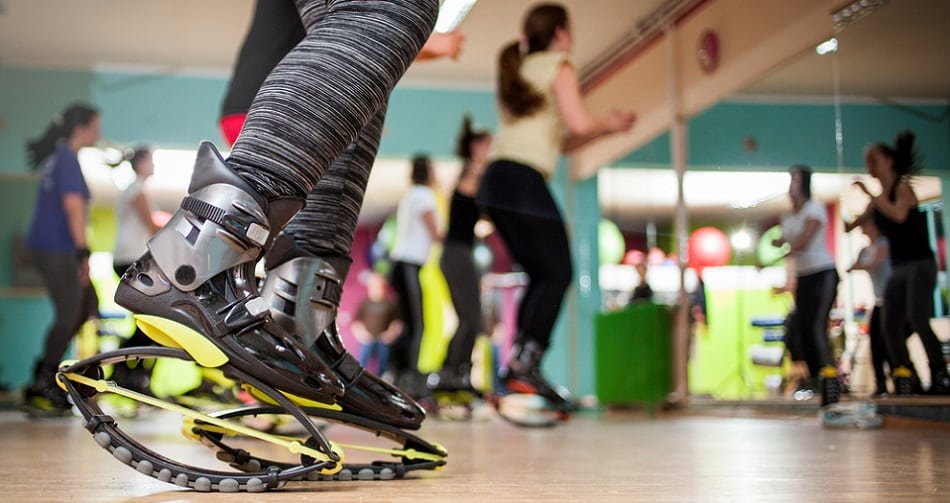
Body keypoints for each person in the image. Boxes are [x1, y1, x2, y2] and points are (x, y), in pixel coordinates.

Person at [115, 0, 444, 431]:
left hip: (289, 85)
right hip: (280, 102)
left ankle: (299, 321)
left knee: (365, 83)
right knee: (387, 7)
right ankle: (190, 266)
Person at [476, 3, 636, 408]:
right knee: (559, 271)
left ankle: (519, 365)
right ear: (562, 33)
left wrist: (599, 132)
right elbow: (580, 123)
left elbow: (562, 141)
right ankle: (523, 365)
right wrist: (610, 124)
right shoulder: (560, 63)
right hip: (521, 179)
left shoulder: (522, 69)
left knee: (542, 272)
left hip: (496, 181)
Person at [851, 130, 949, 395]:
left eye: (874, 160)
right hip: (899, 267)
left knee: (918, 319)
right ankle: (907, 376)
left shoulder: (902, 189)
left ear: (889, 160)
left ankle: (941, 375)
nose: (870, 166)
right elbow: (854, 224)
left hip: (920, 264)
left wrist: (869, 196)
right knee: (889, 326)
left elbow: (898, 215)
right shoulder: (878, 199)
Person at [22, 103, 101, 416]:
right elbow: (73, 207)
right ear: (81, 128)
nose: (99, 132)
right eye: (96, 126)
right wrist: (83, 251)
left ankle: (47, 376)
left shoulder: (61, 158)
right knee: (70, 313)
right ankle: (42, 382)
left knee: (86, 305)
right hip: (57, 248)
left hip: (51, 247)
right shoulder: (67, 159)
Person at [429, 115, 492, 394]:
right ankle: (453, 375)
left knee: (470, 318)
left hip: (458, 252)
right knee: (471, 319)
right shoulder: (474, 174)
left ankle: (453, 374)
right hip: (456, 254)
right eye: (488, 145)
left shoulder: (471, 175)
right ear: (476, 147)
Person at [772, 166, 839, 391]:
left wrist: (778, 254)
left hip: (823, 272)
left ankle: (829, 376)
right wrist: (778, 244)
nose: (792, 185)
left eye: (796, 180)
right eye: (791, 180)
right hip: (804, 277)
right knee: (802, 327)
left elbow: (804, 241)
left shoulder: (815, 208)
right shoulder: (789, 215)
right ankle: (814, 379)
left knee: (817, 326)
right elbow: (785, 240)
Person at [387, 154, 442, 398]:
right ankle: (409, 382)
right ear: (428, 171)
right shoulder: (423, 195)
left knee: (409, 324)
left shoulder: (411, 195)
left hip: (403, 266)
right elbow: (435, 233)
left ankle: (397, 375)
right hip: (408, 264)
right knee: (417, 325)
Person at [845, 217, 895, 396]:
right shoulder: (865, 249)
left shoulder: (883, 243)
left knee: (890, 342)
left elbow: (873, 263)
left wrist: (861, 266)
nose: (862, 229)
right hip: (878, 300)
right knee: (875, 343)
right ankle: (880, 383)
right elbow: (854, 265)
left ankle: (901, 379)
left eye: (864, 224)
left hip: (892, 300)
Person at [352, 272, 403, 376]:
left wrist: (391, 335)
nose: (376, 289)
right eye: (373, 286)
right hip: (368, 339)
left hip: (383, 339)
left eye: (379, 286)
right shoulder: (364, 303)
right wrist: (362, 334)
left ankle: (381, 378)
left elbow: (397, 323)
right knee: (362, 360)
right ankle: (359, 377)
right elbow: (356, 322)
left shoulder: (390, 304)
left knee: (384, 361)